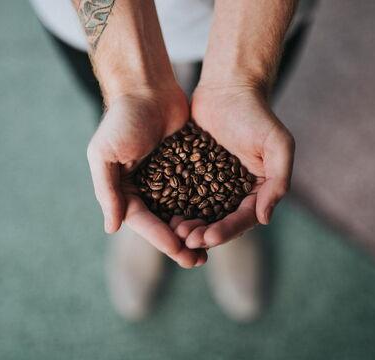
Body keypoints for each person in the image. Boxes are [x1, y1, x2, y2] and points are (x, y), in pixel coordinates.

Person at [30, 0, 304, 322]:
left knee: (251, 104)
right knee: (117, 114)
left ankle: (228, 225)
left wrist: (238, 83)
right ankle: (139, 198)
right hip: (96, 22)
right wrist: (131, 89)